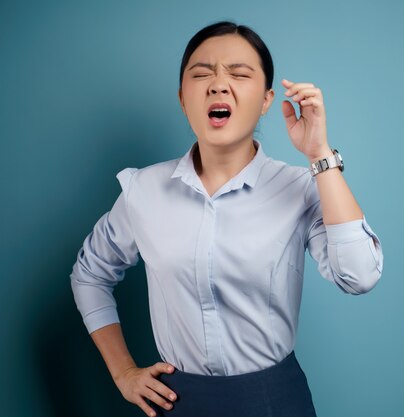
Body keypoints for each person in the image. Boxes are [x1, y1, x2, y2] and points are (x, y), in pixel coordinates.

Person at [69, 20, 384, 417]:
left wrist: (320, 153)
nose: (218, 84)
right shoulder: (144, 190)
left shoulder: (300, 187)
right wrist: (123, 373)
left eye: (239, 74)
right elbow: (90, 275)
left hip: (274, 400)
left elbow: (360, 276)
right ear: (184, 97)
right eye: (202, 74)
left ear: (268, 99)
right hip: (177, 402)